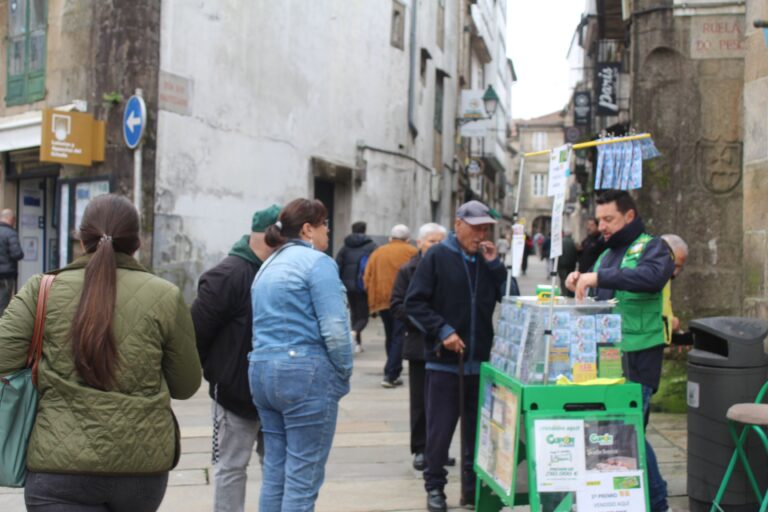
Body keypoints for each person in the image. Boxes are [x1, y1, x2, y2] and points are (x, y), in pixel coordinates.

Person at [0, 194, 202, 511]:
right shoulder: (165, 295)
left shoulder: (42, 289)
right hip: (141, 467)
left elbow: (4, 360)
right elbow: (187, 384)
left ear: (82, 239)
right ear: (136, 242)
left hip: (58, 465)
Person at [566, 190, 675, 512]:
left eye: (609, 219)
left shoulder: (652, 247)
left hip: (638, 357)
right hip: (607, 359)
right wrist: (578, 281)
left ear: (629, 216)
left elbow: (652, 277)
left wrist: (598, 276)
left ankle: (657, 501)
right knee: (616, 433)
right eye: (599, 220)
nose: (602, 226)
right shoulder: (606, 252)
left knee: (631, 433)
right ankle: (620, 498)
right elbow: (602, 292)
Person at [406, 200, 511, 512]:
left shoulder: (486, 260)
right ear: (459, 224)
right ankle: (435, 488)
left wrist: (494, 265)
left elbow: (511, 296)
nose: (480, 234)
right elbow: (415, 303)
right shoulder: (438, 255)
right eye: (476, 227)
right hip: (444, 362)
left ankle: (471, 487)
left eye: (485, 228)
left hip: (480, 362)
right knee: (439, 431)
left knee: (477, 434)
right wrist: (443, 331)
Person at [249, 198, 353, 512]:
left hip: (262, 370)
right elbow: (335, 328)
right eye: (325, 226)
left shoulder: (267, 264)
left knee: (275, 474)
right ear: (308, 229)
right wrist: (343, 372)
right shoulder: (317, 262)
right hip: (304, 372)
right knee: (302, 480)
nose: (328, 233)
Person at [191, 204, 279, 512]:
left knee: (276, 468)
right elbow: (197, 333)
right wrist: (219, 375)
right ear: (271, 238)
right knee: (231, 467)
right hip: (234, 395)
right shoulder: (227, 275)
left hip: (274, 393)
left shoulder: (281, 271)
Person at [390, 222, 447, 471]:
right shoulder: (408, 269)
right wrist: (425, 323)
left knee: (443, 404)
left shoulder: (450, 267)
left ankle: (439, 450)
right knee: (421, 402)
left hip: (446, 344)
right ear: (420, 243)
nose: (437, 246)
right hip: (419, 343)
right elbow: (397, 304)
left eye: (441, 242)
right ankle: (421, 448)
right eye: (433, 241)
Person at [363, 224, 418, 388]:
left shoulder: (378, 252)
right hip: (403, 301)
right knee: (399, 336)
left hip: (382, 301)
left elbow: (366, 276)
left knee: (391, 335)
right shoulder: (412, 252)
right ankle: (390, 373)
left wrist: (371, 297)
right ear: (408, 239)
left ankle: (393, 369)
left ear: (390, 238)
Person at [335, 221, 377, 353]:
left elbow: (338, 266)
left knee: (354, 313)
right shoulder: (371, 246)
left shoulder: (345, 247)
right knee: (363, 316)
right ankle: (354, 334)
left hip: (347, 286)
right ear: (365, 230)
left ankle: (357, 343)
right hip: (362, 286)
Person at [661, 234, 688, 343]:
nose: (675, 272)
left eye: (679, 267)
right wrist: (671, 323)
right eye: (674, 265)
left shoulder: (665, 280)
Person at [0, 208, 24, 316]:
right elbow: (16, 254)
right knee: (3, 303)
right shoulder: (11, 233)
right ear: (11, 219)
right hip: (6, 275)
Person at [557, 232, 578, 297]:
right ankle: (569, 293)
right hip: (571, 264)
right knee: (570, 279)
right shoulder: (573, 243)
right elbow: (575, 253)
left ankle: (564, 292)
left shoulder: (561, 242)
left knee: (563, 279)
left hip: (562, 264)